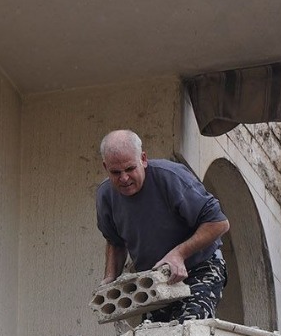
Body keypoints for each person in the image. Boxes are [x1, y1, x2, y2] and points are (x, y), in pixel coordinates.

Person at [95, 130, 230, 323]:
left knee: (189, 325)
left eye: (130, 169)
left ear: (143, 159)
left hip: (200, 267)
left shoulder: (171, 177)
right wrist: (109, 280)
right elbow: (115, 241)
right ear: (105, 167)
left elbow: (219, 223)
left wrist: (179, 254)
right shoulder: (105, 195)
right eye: (115, 172)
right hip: (156, 280)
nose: (124, 178)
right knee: (154, 335)